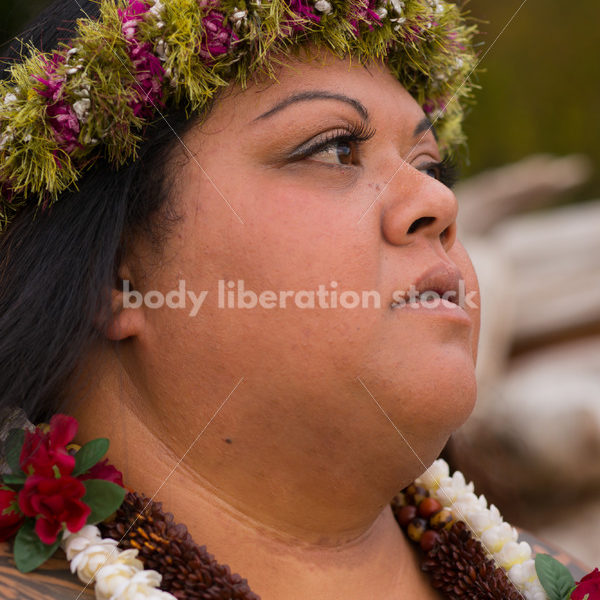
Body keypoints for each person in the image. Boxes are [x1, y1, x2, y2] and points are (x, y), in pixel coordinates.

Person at [0, 1, 583, 599]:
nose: (439, 203)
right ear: (116, 279)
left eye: (431, 166)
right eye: (333, 149)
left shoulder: (552, 581)